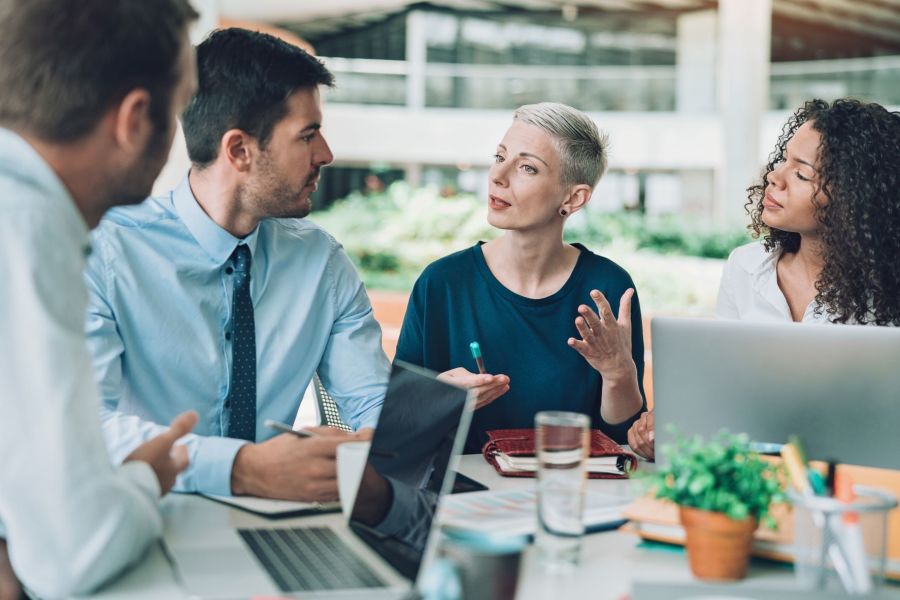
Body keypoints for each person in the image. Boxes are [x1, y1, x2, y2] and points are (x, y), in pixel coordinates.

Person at [84, 28, 389, 502]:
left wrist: (399, 425)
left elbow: (372, 403)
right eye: (307, 136)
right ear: (239, 151)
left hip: (281, 525)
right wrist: (238, 469)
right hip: (153, 520)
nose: (325, 155)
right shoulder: (106, 253)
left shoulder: (322, 263)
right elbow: (86, 426)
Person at [0, 1, 200, 597]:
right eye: (182, 107)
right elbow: (71, 556)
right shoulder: (27, 229)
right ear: (136, 119)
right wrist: (144, 478)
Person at [628, 98, 900, 461]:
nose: (775, 176)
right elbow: (724, 387)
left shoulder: (885, 293)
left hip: (859, 479)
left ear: (854, 200)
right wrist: (671, 421)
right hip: (755, 471)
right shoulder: (746, 266)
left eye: (802, 174)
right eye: (782, 160)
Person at [395, 102, 647, 453]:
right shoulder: (442, 284)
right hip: (464, 496)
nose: (498, 176)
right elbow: (396, 423)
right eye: (500, 157)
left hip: (571, 490)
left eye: (527, 167)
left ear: (573, 198)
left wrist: (619, 373)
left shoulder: (607, 290)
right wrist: (438, 395)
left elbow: (622, 439)